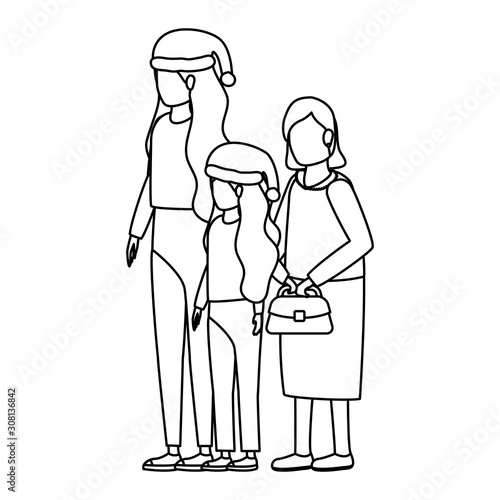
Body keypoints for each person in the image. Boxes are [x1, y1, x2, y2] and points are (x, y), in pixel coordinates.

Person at [125, 29, 236, 472]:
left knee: (202, 344)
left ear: (190, 77)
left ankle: (208, 446)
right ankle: (175, 444)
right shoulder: (160, 127)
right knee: (166, 343)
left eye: (164, 75)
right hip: (160, 242)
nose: (158, 85)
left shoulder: (208, 134)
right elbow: (150, 182)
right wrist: (137, 229)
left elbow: (223, 200)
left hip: (199, 240)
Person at [270, 97, 374, 472]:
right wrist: (283, 274)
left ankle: (339, 448)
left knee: (334, 374)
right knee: (299, 371)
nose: (296, 147)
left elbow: (361, 241)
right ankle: (302, 449)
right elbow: (276, 234)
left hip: (339, 291)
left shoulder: (338, 188)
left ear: (328, 140)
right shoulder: (292, 187)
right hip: (296, 294)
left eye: (304, 137)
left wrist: (316, 276)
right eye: (291, 139)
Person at [192, 142, 280, 471]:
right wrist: (201, 302)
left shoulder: (256, 231)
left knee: (247, 381)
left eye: (223, 185)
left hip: (244, 311)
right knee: (221, 380)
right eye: (213, 183)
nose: (215, 191)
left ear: (242, 189)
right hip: (216, 311)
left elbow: (268, 268)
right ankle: (226, 448)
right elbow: (209, 268)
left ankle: (248, 451)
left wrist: (260, 308)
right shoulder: (215, 227)